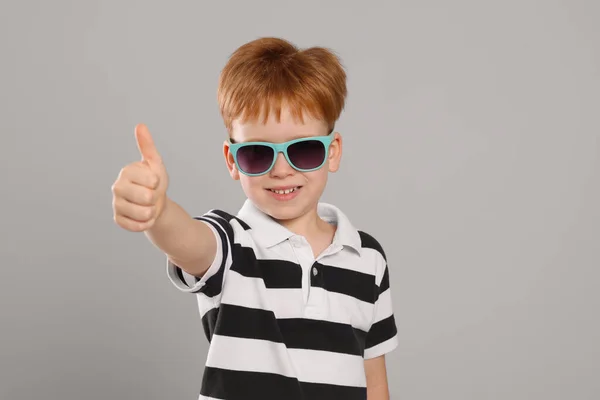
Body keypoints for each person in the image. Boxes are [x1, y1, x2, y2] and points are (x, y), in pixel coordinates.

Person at [111, 37, 398, 400]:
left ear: (333, 152)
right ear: (232, 161)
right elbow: (189, 242)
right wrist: (157, 212)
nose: (281, 170)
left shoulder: (368, 257)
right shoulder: (232, 244)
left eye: (304, 149)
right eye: (257, 154)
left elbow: (374, 383)